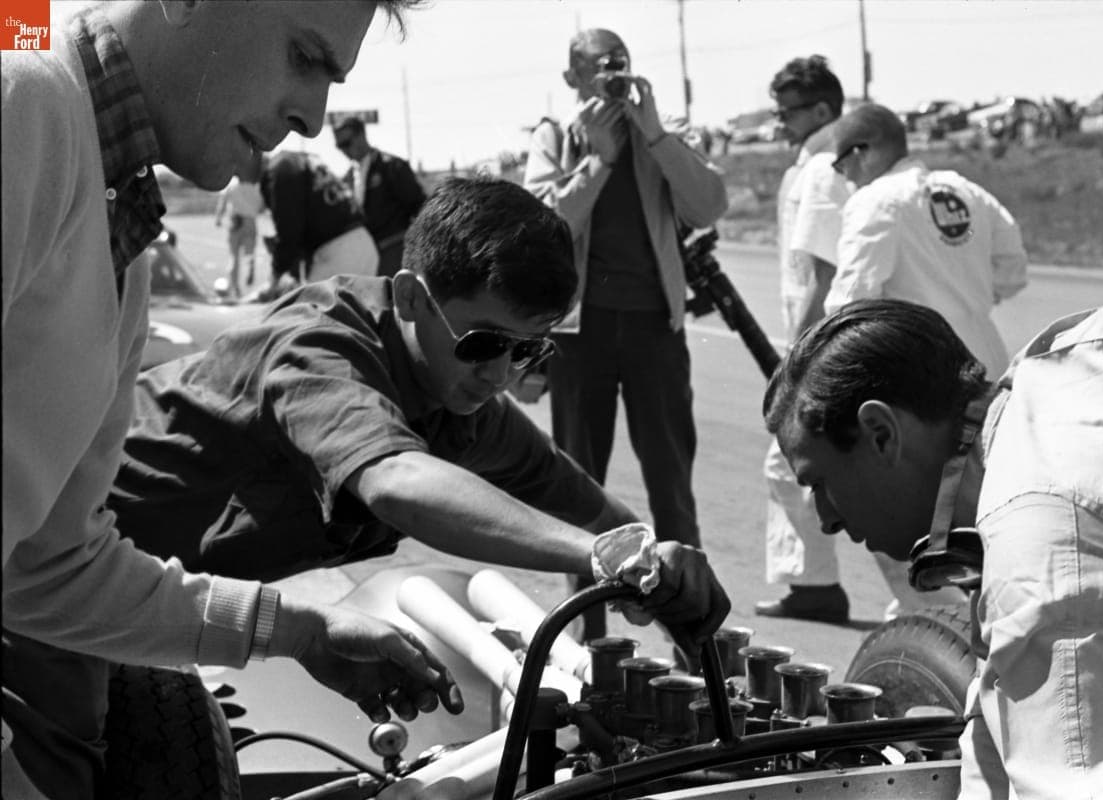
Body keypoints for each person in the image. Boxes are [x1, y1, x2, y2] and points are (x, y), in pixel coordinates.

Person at [8, 176, 733, 792]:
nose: (500, 375)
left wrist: (660, 571)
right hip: (39, 559)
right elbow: (396, 481)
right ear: (413, 299)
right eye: (483, 343)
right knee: (67, 770)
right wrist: (598, 557)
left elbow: (581, 504)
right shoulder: (321, 346)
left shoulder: (461, 398)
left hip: (140, 595)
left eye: (526, 351)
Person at [1, 3, 457, 797]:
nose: (313, 119)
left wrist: (296, 629)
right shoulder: (22, 106)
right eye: (304, 57)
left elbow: (49, 567)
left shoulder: (123, 243)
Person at [764, 298, 1103, 799]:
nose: (825, 519)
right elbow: (996, 733)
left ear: (881, 434)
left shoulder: (1043, 548)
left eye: (820, 483)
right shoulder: (1061, 375)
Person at [523, 28, 728, 554]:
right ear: (572, 77)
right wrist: (600, 159)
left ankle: (687, 603)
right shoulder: (556, 138)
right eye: (601, 69)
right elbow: (545, 227)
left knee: (671, 482)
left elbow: (708, 206)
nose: (614, 79)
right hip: (579, 333)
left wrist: (654, 135)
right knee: (578, 486)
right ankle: (585, 604)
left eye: (621, 65)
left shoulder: (662, 131)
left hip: (653, 327)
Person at [754, 55, 854, 623]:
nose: (779, 122)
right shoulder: (811, 164)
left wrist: (797, 356)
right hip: (820, 333)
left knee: (802, 460)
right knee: (806, 464)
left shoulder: (823, 168)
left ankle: (927, 599)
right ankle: (814, 586)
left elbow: (826, 269)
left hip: (824, 337)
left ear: (820, 111)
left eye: (788, 112)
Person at [825, 102, 1029, 380]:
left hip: (923, 370)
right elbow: (1013, 269)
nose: (844, 175)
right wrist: (970, 296)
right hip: (987, 359)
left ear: (862, 153)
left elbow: (850, 301)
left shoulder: (874, 201)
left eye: (840, 164)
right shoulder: (969, 191)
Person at [257, 148, 379, 299]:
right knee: (359, 313)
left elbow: (289, 234)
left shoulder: (280, 168)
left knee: (312, 310)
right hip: (364, 243)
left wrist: (274, 279)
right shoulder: (298, 160)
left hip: (339, 252)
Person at [334, 115, 427, 278]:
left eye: (347, 143)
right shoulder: (347, 180)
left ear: (361, 135)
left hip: (395, 251)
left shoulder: (392, 166)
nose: (344, 150)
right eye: (339, 146)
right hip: (367, 258)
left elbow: (420, 208)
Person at [213, 157, 266, 298]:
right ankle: (250, 268)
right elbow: (261, 208)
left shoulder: (232, 186)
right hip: (250, 222)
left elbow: (222, 204)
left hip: (235, 222)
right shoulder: (256, 188)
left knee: (233, 257)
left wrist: (218, 219)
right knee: (249, 253)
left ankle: (235, 288)